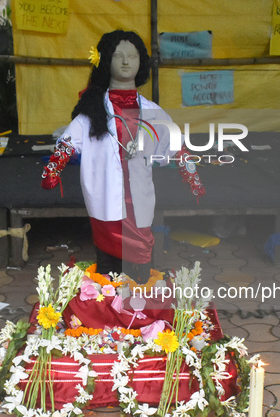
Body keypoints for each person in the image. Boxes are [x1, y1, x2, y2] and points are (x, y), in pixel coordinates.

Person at [41, 30, 204, 280]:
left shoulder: (152, 111)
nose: (126, 62)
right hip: (104, 196)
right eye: (119, 56)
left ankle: (137, 311)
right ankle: (107, 309)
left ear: (141, 62)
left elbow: (176, 146)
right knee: (106, 266)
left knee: (139, 261)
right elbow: (68, 143)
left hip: (138, 199)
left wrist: (192, 178)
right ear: (106, 60)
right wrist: (53, 171)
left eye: (133, 56)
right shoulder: (92, 110)